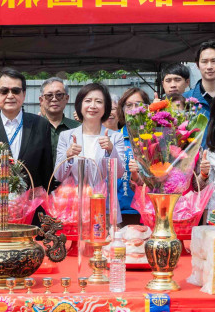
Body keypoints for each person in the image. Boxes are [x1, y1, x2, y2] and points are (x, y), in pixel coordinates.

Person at [0, 67, 53, 189]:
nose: (10, 96)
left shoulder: (41, 125)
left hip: (32, 197)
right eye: (4, 91)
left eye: (15, 91)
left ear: (24, 94)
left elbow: (47, 170)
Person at [54, 82, 125, 184]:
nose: (93, 106)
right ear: (80, 105)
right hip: (75, 194)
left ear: (106, 107)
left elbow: (119, 174)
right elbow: (59, 176)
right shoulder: (66, 136)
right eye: (88, 101)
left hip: (103, 194)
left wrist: (111, 150)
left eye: (99, 101)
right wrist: (68, 155)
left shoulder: (116, 137)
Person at [116, 86, 151, 218]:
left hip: (149, 209)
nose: (133, 109)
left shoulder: (154, 137)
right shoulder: (115, 138)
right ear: (122, 109)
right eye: (129, 105)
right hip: (121, 209)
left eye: (138, 104)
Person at [38, 78, 79, 159]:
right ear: (41, 100)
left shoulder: (78, 128)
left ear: (66, 98)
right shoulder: (33, 128)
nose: (54, 99)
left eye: (59, 95)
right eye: (49, 95)